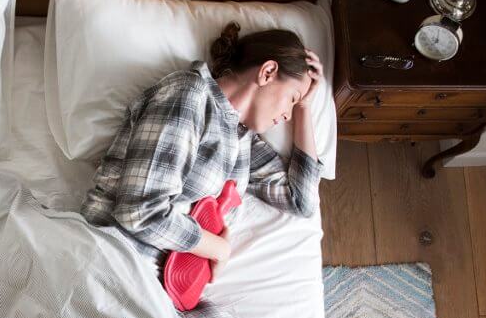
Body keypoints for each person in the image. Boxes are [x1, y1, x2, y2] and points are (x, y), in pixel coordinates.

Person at [80, 21, 324, 281]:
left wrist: (305, 108)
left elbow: (302, 200)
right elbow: (140, 212)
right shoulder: (189, 94)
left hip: (163, 288)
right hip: (114, 260)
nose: (288, 115)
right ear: (268, 72)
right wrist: (218, 248)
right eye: (292, 99)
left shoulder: (244, 141)